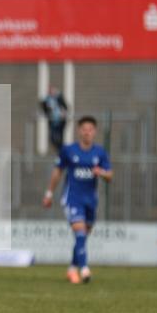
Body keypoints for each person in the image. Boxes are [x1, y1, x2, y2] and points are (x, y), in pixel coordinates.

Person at [42, 116, 113, 284]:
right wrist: (49, 194)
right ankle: (84, 269)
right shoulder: (69, 150)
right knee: (79, 232)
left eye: (90, 129)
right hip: (72, 198)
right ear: (79, 131)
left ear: (94, 132)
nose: (87, 132)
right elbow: (57, 172)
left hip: (91, 200)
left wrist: (101, 173)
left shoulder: (100, 152)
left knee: (83, 236)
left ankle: (72, 269)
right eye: (84, 129)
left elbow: (110, 175)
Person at [41, 85, 69, 154]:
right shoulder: (46, 100)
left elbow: (65, 107)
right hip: (52, 121)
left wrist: (63, 112)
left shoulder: (59, 98)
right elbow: (45, 109)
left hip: (60, 121)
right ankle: (59, 151)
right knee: (52, 137)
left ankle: (61, 151)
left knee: (60, 137)